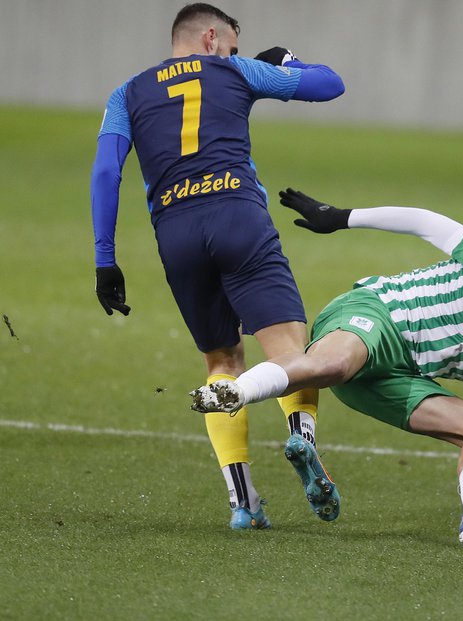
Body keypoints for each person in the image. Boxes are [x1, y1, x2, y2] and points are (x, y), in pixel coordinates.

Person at [191, 188, 463, 553]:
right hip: (377, 314)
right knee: (336, 364)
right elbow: (426, 222)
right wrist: (341, 218)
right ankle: (235, 392)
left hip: (396, 377)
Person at [90, 4, 345, 530]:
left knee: (222, 363)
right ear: (211, 36)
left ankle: (243, 503)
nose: (234, 51)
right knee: (292, 349)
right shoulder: (237, 70)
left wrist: (104, 259)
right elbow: (330, 85)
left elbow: (106, 172)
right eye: (231, 42)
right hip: (237, 215)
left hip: (176, 232)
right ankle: (302, 435)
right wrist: (288, 62)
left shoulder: (126, 93)